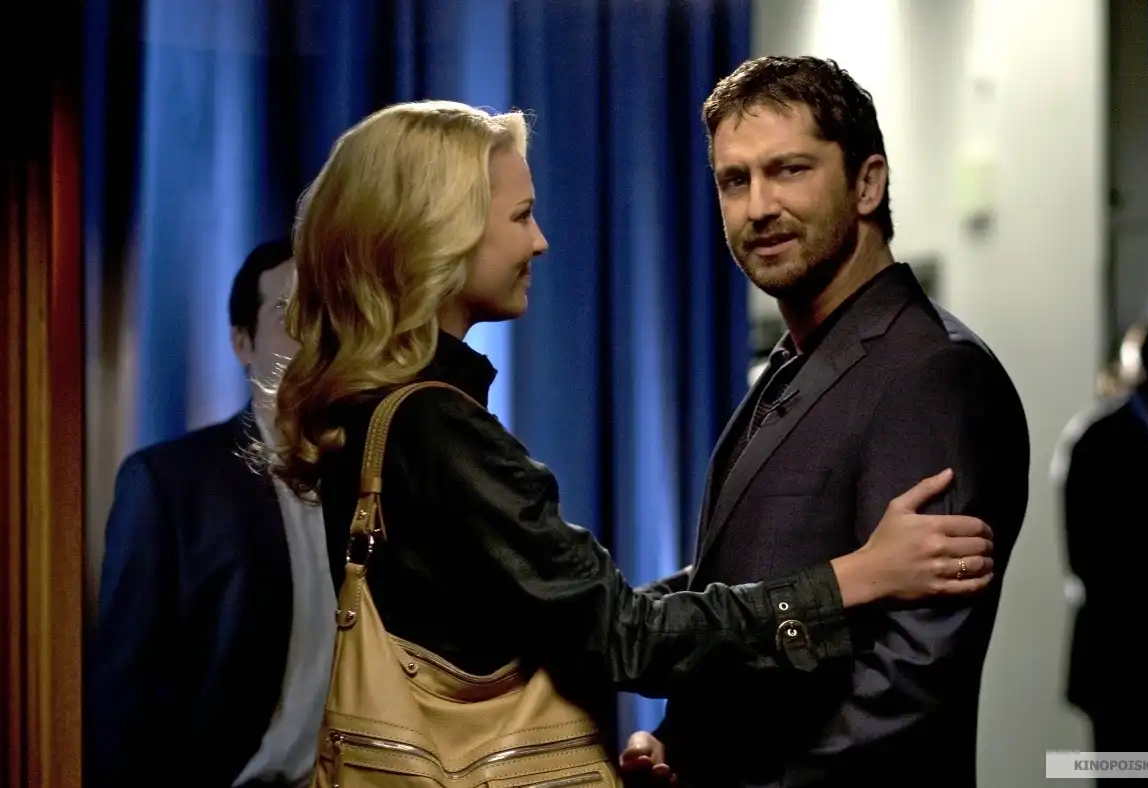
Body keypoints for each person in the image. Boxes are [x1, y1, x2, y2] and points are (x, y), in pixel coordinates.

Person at [269, 99, 996, 761]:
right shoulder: (433, 430)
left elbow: (570, 615)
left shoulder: (374, 412)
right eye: (521, 217)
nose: (541, 242)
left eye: (789, 171)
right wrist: (852, 579)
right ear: (439, 233)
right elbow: (624, 635)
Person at [622, 56, 1031, 787]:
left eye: (789, 170)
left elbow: (909, 680)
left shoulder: (932, 372)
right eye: (734, 180)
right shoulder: (796, 363)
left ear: (867, 184)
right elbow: (752, 575)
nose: (758, 206)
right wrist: (682, 739)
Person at [89, 241, 336, 788]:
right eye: (288, 314)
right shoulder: (171, 484)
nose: (311, 333)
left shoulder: (375, 479)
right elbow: (123, 690)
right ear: (242, 343)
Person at [1054, 323, 1148, 758]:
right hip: (1122, 654)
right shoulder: (1101, 441)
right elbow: (1090, 560)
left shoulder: (1110, 436)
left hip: (1141, 653)